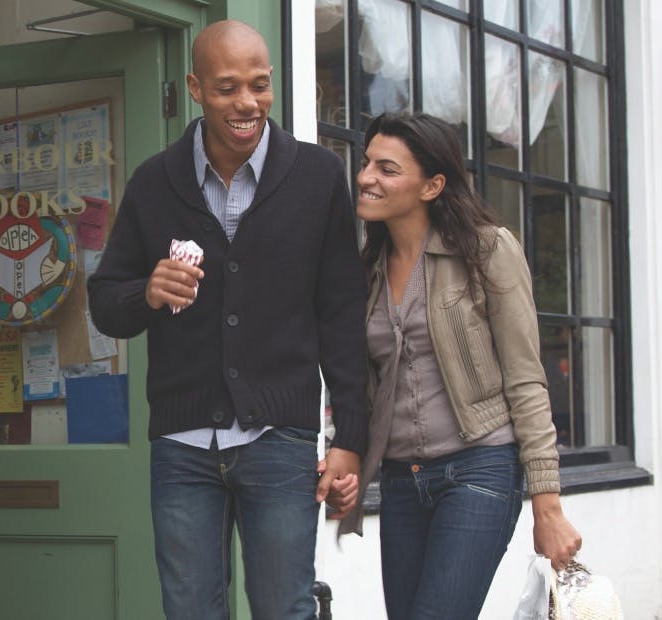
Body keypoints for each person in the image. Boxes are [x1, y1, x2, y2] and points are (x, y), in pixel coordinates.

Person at [87, 19, 367, 619]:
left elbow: (343, 315)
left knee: (283, 608)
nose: (248, 103)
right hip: (183, 445)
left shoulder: (318, 178)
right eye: (227, 88)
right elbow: (106, 303)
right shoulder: (154, 182)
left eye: (260, 86)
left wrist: (350, 440)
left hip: (281, 440)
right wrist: (148, 292)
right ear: (194, 87)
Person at [337, 112, 581, 619]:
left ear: (433, 185)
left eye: (386, 168)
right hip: (404, 479)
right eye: (366, 164)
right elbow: (367, 389)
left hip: (480, 467)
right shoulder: (367, 272)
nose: (366, 177)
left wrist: (548, 505)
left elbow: (527, 379)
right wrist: (350, 456)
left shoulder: (487, 251)